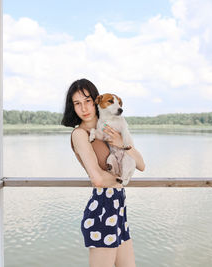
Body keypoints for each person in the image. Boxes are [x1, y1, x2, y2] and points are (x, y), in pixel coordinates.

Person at [61, 78, 145, 267]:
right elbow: (98, 179)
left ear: (96, 100)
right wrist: (122, 180)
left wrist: (122, 144)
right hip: (102, 210)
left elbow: (140, 164)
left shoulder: (110, 127)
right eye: (77, 103)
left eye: (88, 101)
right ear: (72, 107)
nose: (84, 108)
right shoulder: (80, 134)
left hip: (119, 209)